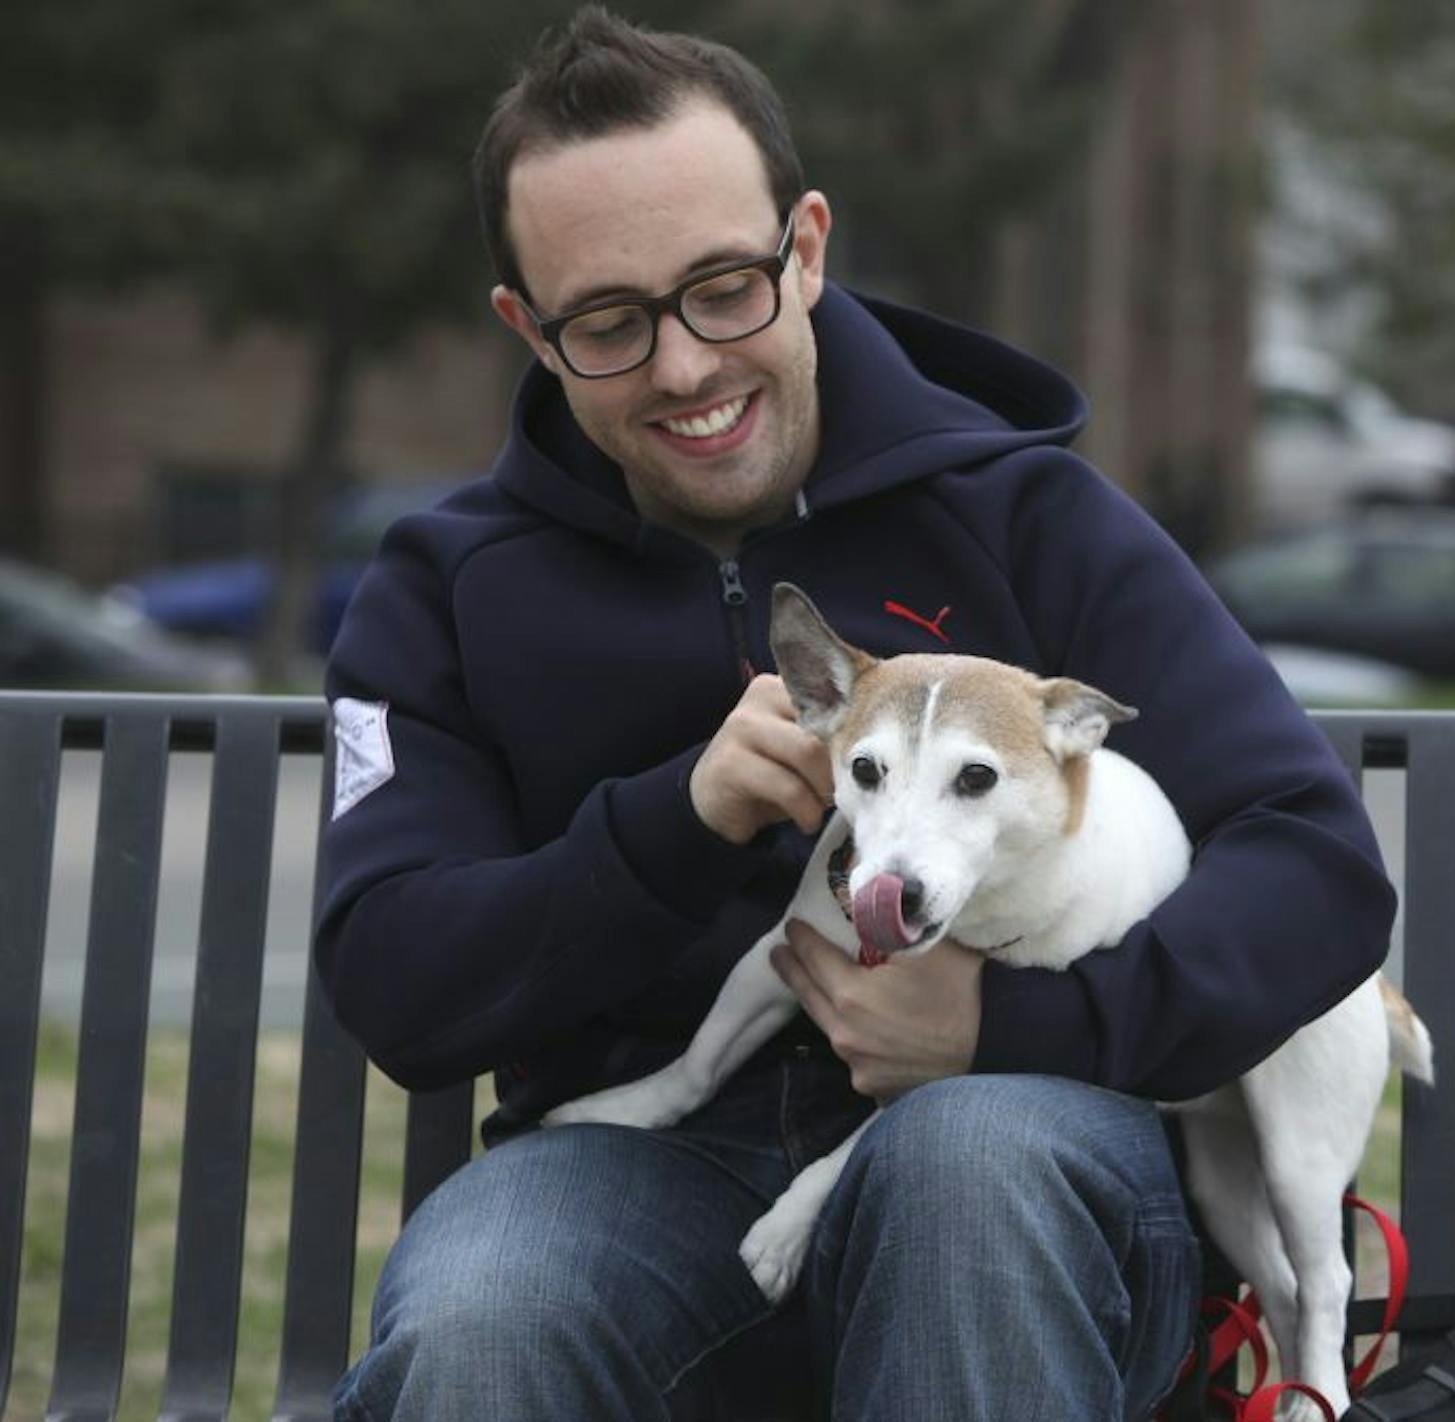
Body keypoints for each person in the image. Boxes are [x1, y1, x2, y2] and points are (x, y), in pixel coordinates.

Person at [315, 8, 1394, 1419]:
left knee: (967, 1175)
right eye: (609, 321)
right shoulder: (442, 591)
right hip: (632, 1173)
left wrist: (1017, 1031)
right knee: (487, 1314)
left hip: (1026, 1148)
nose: (688, 366)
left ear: (806, 246)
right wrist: (669, 827)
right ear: (529, 326)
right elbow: (399, 975)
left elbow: (1313, 859)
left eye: (724, 286)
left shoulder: (1032, 517)